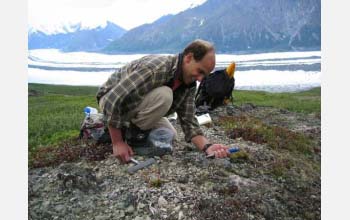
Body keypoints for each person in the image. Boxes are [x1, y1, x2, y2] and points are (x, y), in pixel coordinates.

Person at [96, 39, 230, 163]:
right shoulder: (156, 69)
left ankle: (126, 129)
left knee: (170, 133)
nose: (200, 79)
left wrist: (207, 147)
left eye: (204, 75)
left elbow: (189, 123)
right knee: (165, 96)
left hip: (133, 108)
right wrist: (118, 143)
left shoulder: (189, 84)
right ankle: (131, 138)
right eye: (200, 71)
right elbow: (112, 100)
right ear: (188, 58)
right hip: (110, 101)